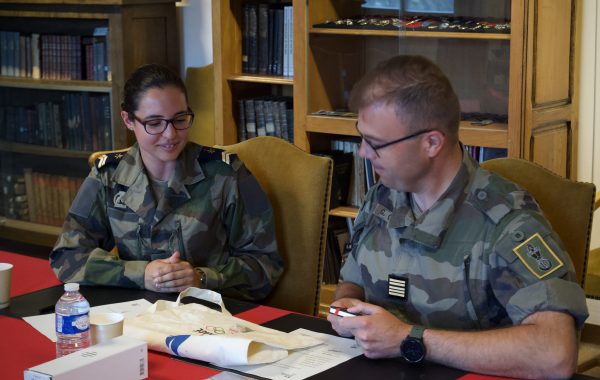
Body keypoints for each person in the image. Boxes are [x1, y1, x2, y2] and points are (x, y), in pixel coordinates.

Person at [327, 55, 588, 378]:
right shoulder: (382, 198)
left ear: (432, 143)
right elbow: (352, 281)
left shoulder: (506, 221)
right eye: (361, 136)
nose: (363, 153)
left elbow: (555, 354)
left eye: (376, 143)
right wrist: (349, 310)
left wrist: (409, 340)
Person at [50, 63, 283, 300]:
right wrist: (140, 274)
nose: (170, 134)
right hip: (136, 314)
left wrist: (201, 278)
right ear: (129, 120)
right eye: (154, 123)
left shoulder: (227, 174)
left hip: (209, 317)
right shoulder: (108, 175)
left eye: (180, 119)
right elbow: (67, 257)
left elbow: (265, 265)